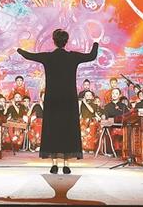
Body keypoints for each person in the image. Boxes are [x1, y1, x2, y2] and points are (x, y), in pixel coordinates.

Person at [17, 29, 99, 174]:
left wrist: (18, 49)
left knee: (52, 130)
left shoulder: (48, 57)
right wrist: (96, 42)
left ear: (54, 41)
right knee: (68, 130)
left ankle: (54, 164)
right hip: (69, 99)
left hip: (52, 99)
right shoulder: (73, 57)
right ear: (66, 41)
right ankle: (66, 164)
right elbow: (92, 56)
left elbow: (29, 55)